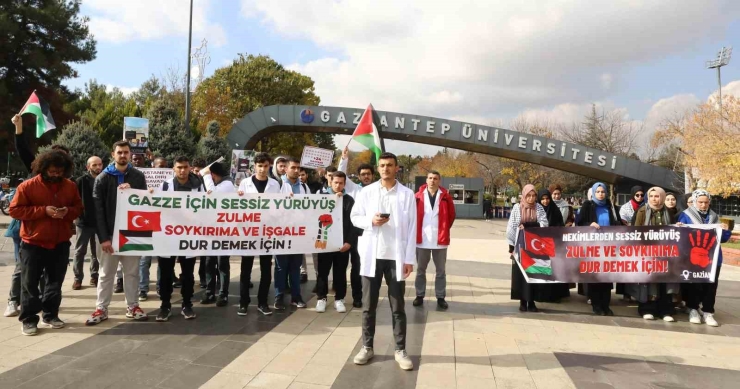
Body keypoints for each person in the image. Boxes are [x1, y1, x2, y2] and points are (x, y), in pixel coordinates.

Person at [350, 152, 416, 371]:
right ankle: (367, 346)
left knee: (398, 306)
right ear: (378, 169)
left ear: (397, 168)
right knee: (368, 305)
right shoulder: (367, 192)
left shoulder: (407, 194)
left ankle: (400, 349)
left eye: (389, 165)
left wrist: (408, 259)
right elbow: (354, 217)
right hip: (372, 255)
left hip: (395, 256)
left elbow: (412, 227)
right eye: (382, 165)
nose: (385, 168)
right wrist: (371, 221)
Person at [9, 150, 82, 335]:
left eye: (60, 172)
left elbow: (78, 208)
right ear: (43, 169)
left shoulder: (70, 186)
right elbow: (15, 210)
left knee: (55, 283)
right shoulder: (27, 186)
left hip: (60, 242)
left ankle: (50, 315)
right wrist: (43, 211)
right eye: (52, 172)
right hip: (33, 243)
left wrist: (67, 211)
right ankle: (29, 319)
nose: (56, 175)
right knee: (29, 283)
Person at [86, 140, 149, 326]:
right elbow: (97, 211)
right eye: (119, 152)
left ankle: (133, 306)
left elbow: (145, 202)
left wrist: (135, 192)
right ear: (113, 154)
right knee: (106, 274)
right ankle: (101, 308)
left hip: (131, 234)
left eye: (126, 152)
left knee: (132, 273)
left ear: (130, 154)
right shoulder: (103, 178)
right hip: (109, 236)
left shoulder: (137, 176)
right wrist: (104, 238)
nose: (123, 155)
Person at [155, 156, 204, 321]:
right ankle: (165, 305)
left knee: (188, 273)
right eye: (179, 168)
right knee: (166, 272)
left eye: (185, 167)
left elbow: (207, 208)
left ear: (190, 168)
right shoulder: (165, 185)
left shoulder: (199, 186)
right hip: (168, 236)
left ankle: (187, 304)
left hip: (189, 235)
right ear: (173, 169)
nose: (182, 171)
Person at [679, 190, 732, 327]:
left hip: (713, 258)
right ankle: (693, 309)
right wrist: (680, 228)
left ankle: (708, 311)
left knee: (711, 285)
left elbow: (723, 239)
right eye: (700, 202)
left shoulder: (714, 217)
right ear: (695, 202)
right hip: (693, 258)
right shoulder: (686, 215)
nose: (703, 205)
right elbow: (680, 236)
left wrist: (725, 230)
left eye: (706, 202)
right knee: (694, 284)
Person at [237, 152, 281, 316]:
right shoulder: (245, 183)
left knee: (265, 269)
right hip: (248, 231)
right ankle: (243, 302)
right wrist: (239, 197)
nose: (263, 169)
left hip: (267, 231)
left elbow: (280, 206)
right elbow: (237, 207)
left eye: (266, 166)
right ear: (254, 166)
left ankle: (262, 302)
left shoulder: (275, 185)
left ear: (270, 166)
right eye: (260, 166)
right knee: (245, 269)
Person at [627, 187, 678, 321]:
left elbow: (672, 230)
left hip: (666, 253)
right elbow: (636, 231)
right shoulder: (642, 211)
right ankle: (647, 309)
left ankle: (665, 311)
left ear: (661, 197)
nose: (654, 199)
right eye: (651, 196)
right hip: (648, 253)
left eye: (657, 196)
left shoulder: (668, 211)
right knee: (648, 282)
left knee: (665, 281)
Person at [337, 147, 375, 307]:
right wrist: (344, 159)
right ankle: (352, 297)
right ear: (359, 176)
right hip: (353, 233)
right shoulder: (355, 189)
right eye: (363, 174)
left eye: (368, 174)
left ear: (373, 175)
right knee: (350, 267)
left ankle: (362, 296)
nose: (366, 176)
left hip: (370, 233)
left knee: (361, 267)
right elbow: (341, 175)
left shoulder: (377, 190)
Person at [316, 171, 358, 313]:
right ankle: (321, 298)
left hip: (342, 245)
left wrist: (349, 242)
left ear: (344, 184)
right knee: (322, 272)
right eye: (335, 182)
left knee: (340, 272)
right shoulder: (320, 197)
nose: (338, 185)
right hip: (324, 243)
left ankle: (339, 299)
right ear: (330, 182)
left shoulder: (349, 200)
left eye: (341, 183)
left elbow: (354, 224)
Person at [413, 171, 455, 310]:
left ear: (439, 180)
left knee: (441, 271)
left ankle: (441, 297)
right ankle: (419, 295)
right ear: (426, 180)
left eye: (435, 178)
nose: (432, 181)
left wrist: (443, 228)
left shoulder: (446, 197)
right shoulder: (418, 196)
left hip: (440, 239)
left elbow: (451, 215)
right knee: (420, 270)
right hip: (422, 239)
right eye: (430, 178)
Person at [577, 182, 620, 316]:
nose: (601, 194)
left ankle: (606, 305)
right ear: (594, 193)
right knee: (595, 276)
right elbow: (579, 223)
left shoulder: (611, 206)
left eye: (602, 192)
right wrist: (589, 224)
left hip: (608, 246)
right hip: (593, 246)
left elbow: (616, 222)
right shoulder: (588, 205)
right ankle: (596, 305)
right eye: (598, 192)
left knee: (607, 276)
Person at [507, 185, 548, 313]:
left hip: (535, 246)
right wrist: (511, 247)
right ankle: (523, 301)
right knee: (521, 275)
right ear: (524, 196)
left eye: (533, 196)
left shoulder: (539, 208)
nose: (531, 198)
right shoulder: (517, 208)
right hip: (521, 246)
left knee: (534, 273)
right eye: (528, 196)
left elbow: (544, 224)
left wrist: (528, 225)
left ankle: (532, 301)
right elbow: (512, 227)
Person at [200, 162, 236, 307]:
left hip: (224, 230)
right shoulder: (218, 183)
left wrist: (207, 176)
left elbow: (213, 195)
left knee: (222, 263)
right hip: (211, 229)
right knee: (209, 262)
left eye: (211, 176)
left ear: (214, 175)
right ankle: (210, 291)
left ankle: (223, 294)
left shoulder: (227, 184)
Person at [274, 157, 308, 310]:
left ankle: (296, 296)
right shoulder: (278, 185)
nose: (296, 170)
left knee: (295, 266)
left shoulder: (304, 188)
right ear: (285, 169)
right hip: (281, 232)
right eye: (293, 167)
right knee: (281, 267)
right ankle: (279, 296)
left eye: (298, 168)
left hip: (298, 233)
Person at [72, 156, 103, 290]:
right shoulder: (81, 181)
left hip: (100, 223)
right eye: (94, 165)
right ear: (88, 167)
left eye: (99, 164)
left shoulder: (105, 180)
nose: (97, 167)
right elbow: (74, 200)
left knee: (97, 252)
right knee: (80, 251)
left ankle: (94, 276)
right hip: (83, 222)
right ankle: (78, 278)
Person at [536, 189, 571, 302]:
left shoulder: (555, 211)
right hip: (539, 246)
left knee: (554, 270)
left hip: (553, 245)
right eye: (543, 199)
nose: (545, 201)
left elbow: (560, 226)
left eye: (547, 199)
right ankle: (541, 295)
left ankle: (554, 296)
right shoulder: (536, 211)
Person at [191, 158, 208, 289]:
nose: (198, 174)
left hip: (203, 223)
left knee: (204, 253)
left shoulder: (208, 182)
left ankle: (203, 277)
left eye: (201, 172)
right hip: (187, 224)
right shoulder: (189, 181)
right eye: (196, 171)